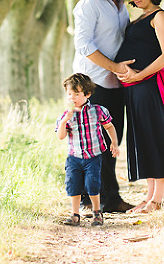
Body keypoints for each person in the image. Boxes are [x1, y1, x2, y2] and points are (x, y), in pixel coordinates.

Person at [72, 0, 137, 213]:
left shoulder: (122, 7)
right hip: (93, 83)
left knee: (112, 141)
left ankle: (104, 197)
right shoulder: (89, 5)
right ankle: (97, 200)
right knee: (94, 143)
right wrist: (114, 66)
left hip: (116, 84)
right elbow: (84, 45)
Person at [115, 0, 164, 214]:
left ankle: (158, 200)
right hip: (135, 88)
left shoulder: (160, 17)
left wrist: (139, 75)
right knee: (143, 138)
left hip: (150, 86)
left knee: (154, 137)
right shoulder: (141, 17)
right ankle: (150, 196)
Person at [56, 73, 120, 227]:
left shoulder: (98, 111)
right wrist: (65, 121)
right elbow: (61, 136)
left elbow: (109, 126)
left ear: (87, 94)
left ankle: (97, 212)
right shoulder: (66, 116)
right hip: (74, 157)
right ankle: (75, 214)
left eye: (77, 94)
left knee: (93, 184)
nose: (72, 98)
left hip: (93, 156)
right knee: (73, 184)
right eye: (69, 94)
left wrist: (114, 142)